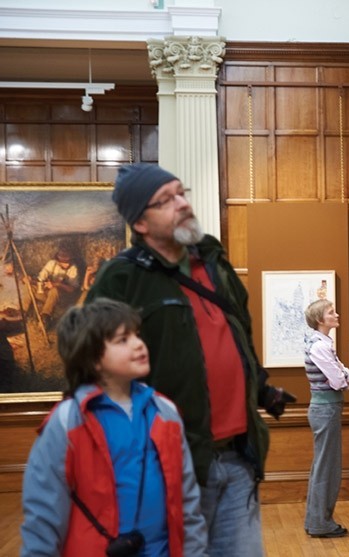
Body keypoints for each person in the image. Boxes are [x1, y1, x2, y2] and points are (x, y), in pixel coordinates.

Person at [86, 163, 296, 556]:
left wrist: (260, 389)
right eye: (166, 201)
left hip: (237, 458)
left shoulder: (215, 264)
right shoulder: (121, 279)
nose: (182, 204)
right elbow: (90, 370)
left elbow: (239, 340)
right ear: (140, 223)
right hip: (168, 468)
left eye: (181, 193)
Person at [19, 298, 207, 556]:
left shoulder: (166, 412)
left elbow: (188, 503)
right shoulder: (67, 422)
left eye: (137, 335)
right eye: (122, 340)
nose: (139, 344)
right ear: (93, 359)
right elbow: (43, 516)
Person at [303, 298, 349, 538]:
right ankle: (321, 523)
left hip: (325, 410)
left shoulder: (323, 343)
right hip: (326, 410)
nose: (336, 314)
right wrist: (344, 374)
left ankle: (316, 520)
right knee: (327, 468)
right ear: (321, 319)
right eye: (332, 312)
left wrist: (343, 373)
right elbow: (339, 380)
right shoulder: (320, 346)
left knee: (322, 466)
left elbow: (343, 373)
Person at [35, 245, 80, 325]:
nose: (67, 264)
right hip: (48, 295)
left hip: (61, 298)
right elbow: (41, 277)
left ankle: (45, 316)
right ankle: (21, 313)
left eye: (68, 261)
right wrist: (38, 282)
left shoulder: (73, 268)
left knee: (54, 290)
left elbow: (72, 289)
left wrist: (58, 284)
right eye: (64, 262)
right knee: (29, 287)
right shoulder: (52, 264)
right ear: (58, 261)